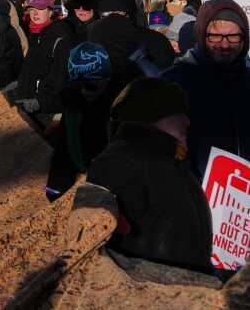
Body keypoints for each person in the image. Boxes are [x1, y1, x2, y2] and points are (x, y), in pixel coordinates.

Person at [86, 78, 213, 273]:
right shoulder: (121, 162)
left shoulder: (170, 165)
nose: (187, 121)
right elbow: (97, 253)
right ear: (152, 114)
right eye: (177, 111)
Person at [162, 0, 250, 177]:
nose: (224, 45)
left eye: (233, 36)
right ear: (202, 35)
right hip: (194, 194)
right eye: (215, 36)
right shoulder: (174, 82)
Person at [44, 42, 119, 199]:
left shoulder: (80, 101)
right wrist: (86, 169)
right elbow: (74, 146)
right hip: (73, 182)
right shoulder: (77, 107)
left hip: (65, 179)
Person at [13, 0, 77, 116]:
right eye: (31, 9)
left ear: (50, 11)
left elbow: (59, 79)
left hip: (46, 108)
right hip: (29, 102)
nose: (35, 13)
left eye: (40, 8)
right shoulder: (35, 34)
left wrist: (40, 102)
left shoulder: (60, 36)